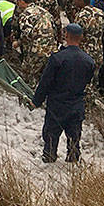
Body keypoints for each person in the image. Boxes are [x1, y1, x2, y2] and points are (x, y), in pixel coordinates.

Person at [32, 22, 95, 163]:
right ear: (81, 37)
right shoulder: (89, 61)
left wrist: (36, 101)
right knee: (74, 141)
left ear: (66, 35)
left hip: (56, 105)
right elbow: (88, 82)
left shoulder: (57, 59)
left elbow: (45, 82)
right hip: (76, 106)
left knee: (50, 138)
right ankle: (73, 165)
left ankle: (49, 161)